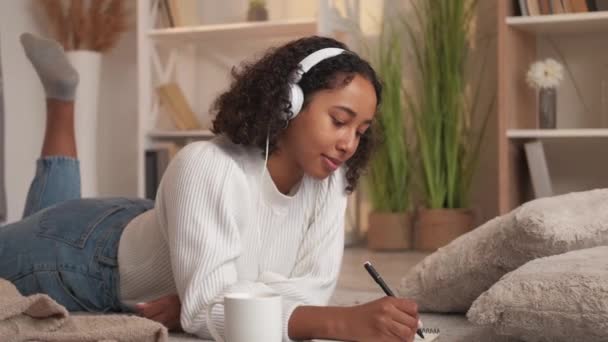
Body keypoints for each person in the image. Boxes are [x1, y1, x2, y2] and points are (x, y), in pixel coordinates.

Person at [0, 33, 419, 342]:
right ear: (289, 102)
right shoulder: (207, 167)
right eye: (340, 120)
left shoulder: (329, 182)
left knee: (35, 219)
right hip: (86, 258)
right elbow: (211, 311)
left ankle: (61, 96)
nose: (349, 144)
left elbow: (312, 289)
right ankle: (62, 105)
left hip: (164, 229)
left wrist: (211, 300)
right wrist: (340, 323)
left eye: (361, 131)